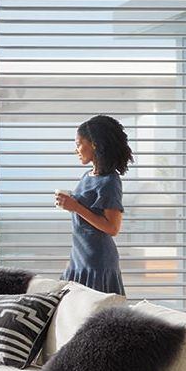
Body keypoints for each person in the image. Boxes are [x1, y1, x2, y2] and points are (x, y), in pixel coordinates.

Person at [54, 115, 132, 296]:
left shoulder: (110, 181)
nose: (76, 150)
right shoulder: (87, 176)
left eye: (79, 143)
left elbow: (112, 228)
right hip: (79, 258)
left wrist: (75, 207)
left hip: (97, 261)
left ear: (95, 144)